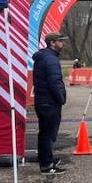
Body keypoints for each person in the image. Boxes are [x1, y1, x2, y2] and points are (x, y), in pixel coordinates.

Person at [32, 33, 68, 175]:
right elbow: (54, 82)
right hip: (49, 102)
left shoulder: (43, 57)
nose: (63, 44)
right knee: (49, 135)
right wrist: (61, 98)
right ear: (52, 43)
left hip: (42, 101)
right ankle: (47, 165)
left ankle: (46, 159)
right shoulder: (51, 59)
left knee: (44, 133)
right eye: (61, 41)